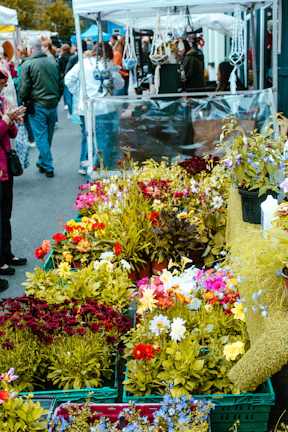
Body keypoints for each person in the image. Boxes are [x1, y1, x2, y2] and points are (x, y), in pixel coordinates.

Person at [65, 42, 124, 171]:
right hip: (104, 109)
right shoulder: (109, 65)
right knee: (103, 139)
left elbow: (68, 79)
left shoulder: (83, 63)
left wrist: (80, 93)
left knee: (89, 137)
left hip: (86, 108)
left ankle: (89, 169)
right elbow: (120, 85)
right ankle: (101, 170)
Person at [19, 37, 64, 178]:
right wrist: (56, 98)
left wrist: (25, 101)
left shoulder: (28, 64)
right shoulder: (52, 62)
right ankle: (43, 161)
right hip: (51, 104)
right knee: (47, 136)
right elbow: (60, 83)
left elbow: (23, 88)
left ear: (31, 49)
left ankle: (48, 164)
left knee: (41, 137)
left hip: (38, 105)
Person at [0, 65, 27, 283]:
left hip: (6, 165)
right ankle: (0, 258)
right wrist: (6, 120)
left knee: (6, 213)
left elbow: (13, 132)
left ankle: (6, 253)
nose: (2, 89)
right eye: (0, 85)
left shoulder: (1, 103)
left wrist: (12, 118)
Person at [13, 43, 35, 148]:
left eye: (17, 50)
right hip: (28, 94)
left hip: (23, 94)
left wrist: (13, 80)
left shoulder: (23, 64)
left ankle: (30, 139)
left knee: (25, 117)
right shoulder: (28, 62)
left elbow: (22, 81)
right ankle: (31, 138)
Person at [57, 44, 73, 117]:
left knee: (67, 95)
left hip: (65, 77)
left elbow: (59, 69)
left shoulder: (60, 59)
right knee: (73, 95)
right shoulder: (72, 57)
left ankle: (70, 112)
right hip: (73, 77)